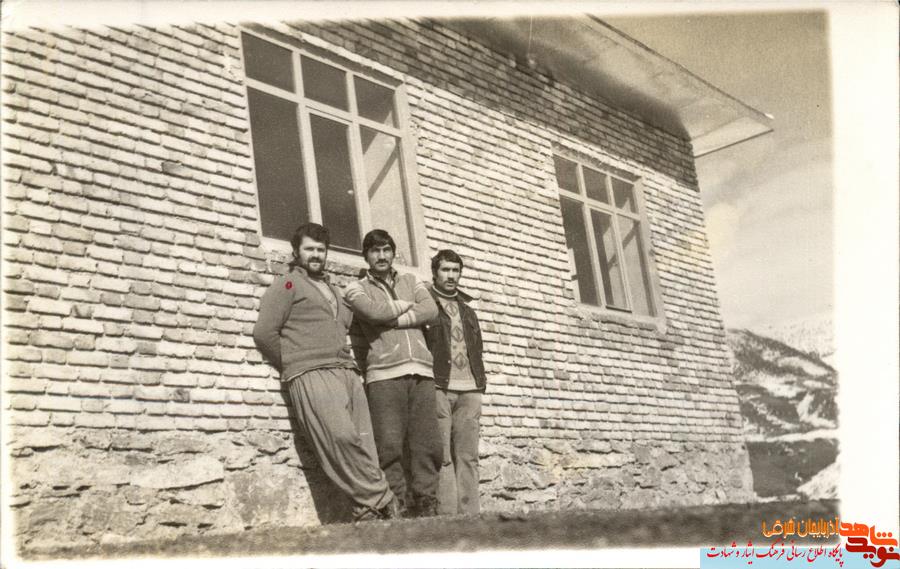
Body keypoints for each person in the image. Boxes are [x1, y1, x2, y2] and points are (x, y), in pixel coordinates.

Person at [252, 222, 399, 522]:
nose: (316, 255)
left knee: (364, 443)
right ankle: (383, 498)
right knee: (340, 438)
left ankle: (367, 513)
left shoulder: (335, 290)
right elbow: (264, 333)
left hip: (346, 371)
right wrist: (293, 362)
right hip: (311, 372)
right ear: (296, 252)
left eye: (321, 249)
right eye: (309, 249)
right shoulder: (287, 285)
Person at [343, 229, 442, 517]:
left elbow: (431, 310)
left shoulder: (412, 280)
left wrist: (394, 318)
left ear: (393, 252)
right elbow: (372, 313)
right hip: (384, 374)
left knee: (427, 443)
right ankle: (395, 503)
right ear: (366, 256)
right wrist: (408, 307)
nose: (382, 256)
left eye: (386, 250)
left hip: (422, 371)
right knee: (389, 445)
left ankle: (427, 502)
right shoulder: (355, 288)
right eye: (375, 251)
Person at [425, 249, 487, 515]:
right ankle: (447, 516)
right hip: (440, 386)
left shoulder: (468, 310)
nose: (451, 276)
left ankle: (470, 515)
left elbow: (477, 348)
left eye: (455, 270)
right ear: (435, 273)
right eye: (445, 270)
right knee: (443, 456)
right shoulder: (426, 304)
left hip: (470, 390)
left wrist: (479, 383)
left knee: (468, 456)